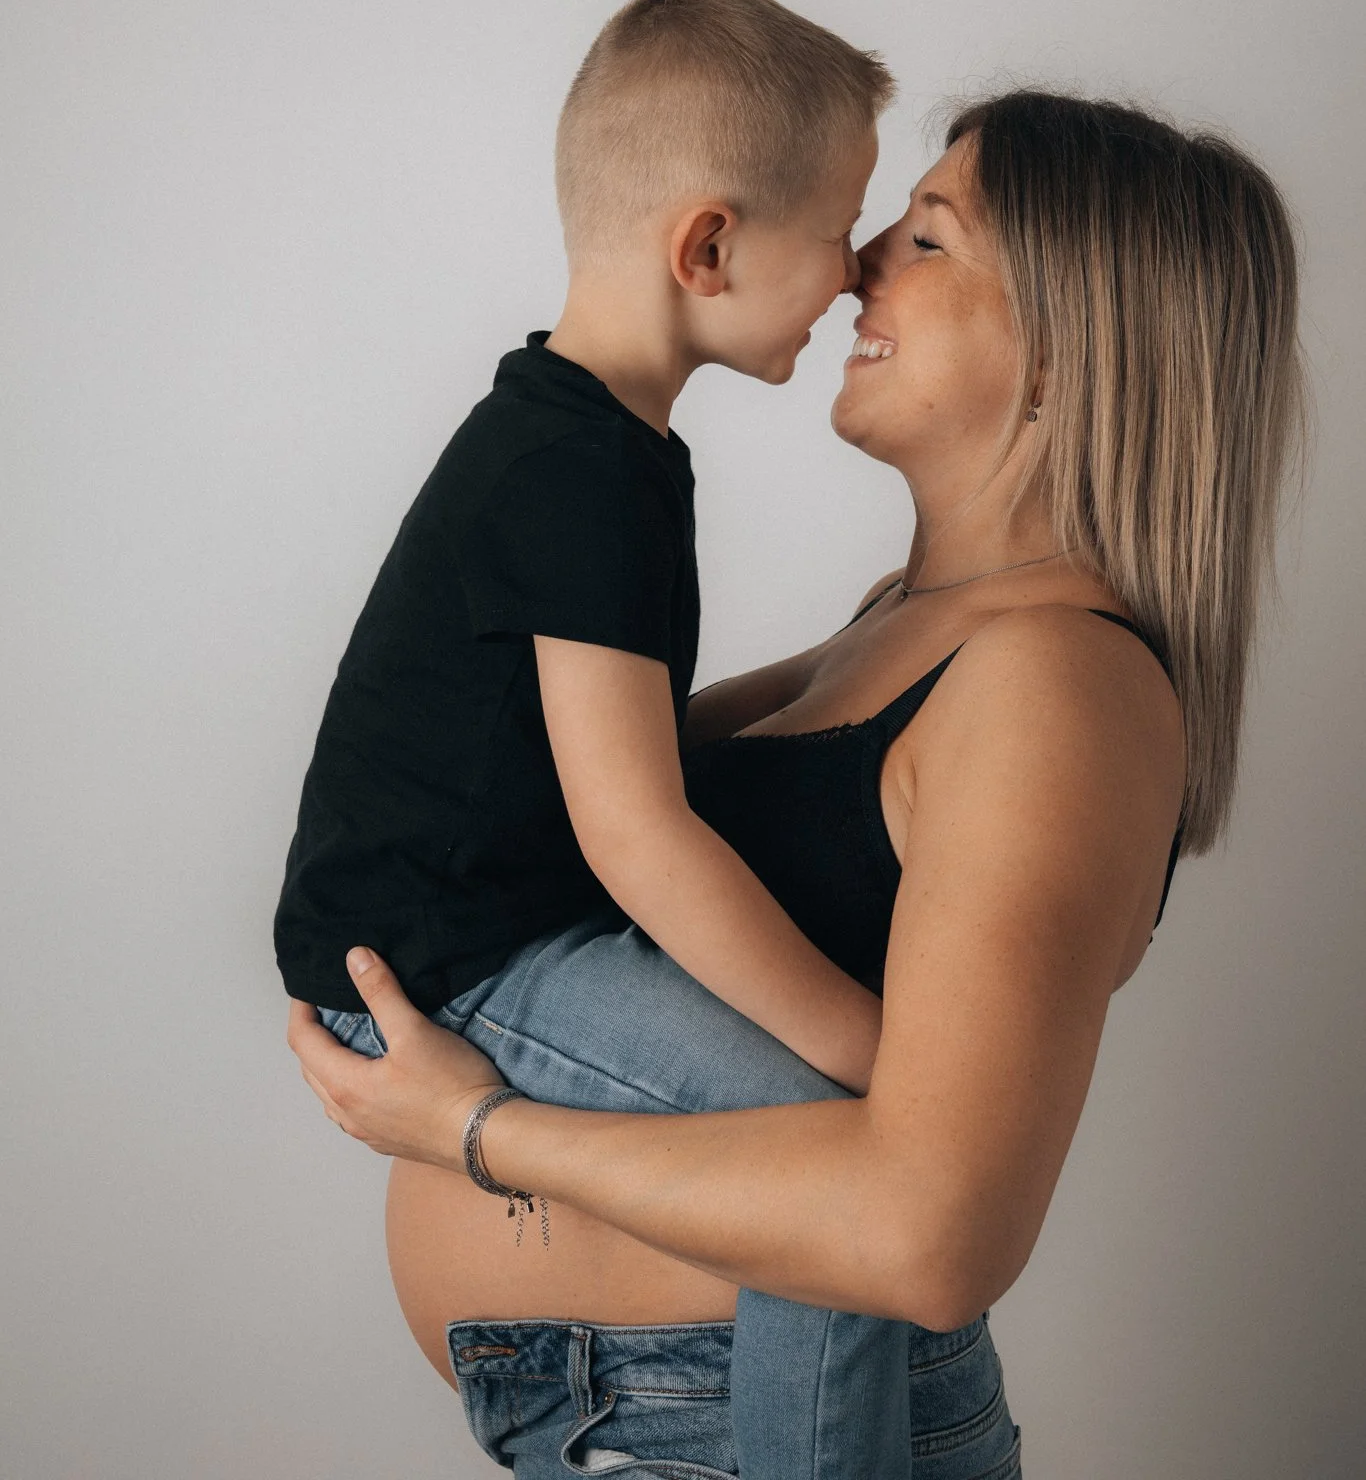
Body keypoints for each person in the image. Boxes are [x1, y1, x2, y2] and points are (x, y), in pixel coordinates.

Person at [291, 89, 1307, 1477]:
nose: (860, 260)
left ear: (1070, 350)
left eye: (929, 238)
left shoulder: (1053, 684)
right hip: (649, 1412)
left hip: (726, 1422)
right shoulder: (900, 620)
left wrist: (479, 1132)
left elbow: (931, 1236)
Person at [275, 0, 944, 1478]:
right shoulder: (580, 475)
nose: (855, 270)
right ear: (707, 246)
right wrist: (867, 1048)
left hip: (494, 923)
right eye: (840, 224)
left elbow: (620, 741)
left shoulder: (584, 442)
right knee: (831, 1155)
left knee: (832, 1140)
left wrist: (848, 658)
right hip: (446, 960)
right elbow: (634, 828)